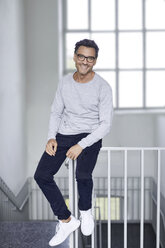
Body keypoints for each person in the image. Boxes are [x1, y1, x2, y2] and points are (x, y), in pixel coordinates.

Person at [34, 39, 113, 246]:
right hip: (64, 134)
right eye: (81, 56)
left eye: (90, 58)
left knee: (83, 174)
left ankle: (85, 212)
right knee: (41, 175)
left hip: (90, 134)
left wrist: (81, 145)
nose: (85, 61)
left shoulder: (103, 87)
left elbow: (105, 125)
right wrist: (51, 136)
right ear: (75, 56)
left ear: (95, 61)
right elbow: (56, 112)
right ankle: (66, 219)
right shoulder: (65, 82)